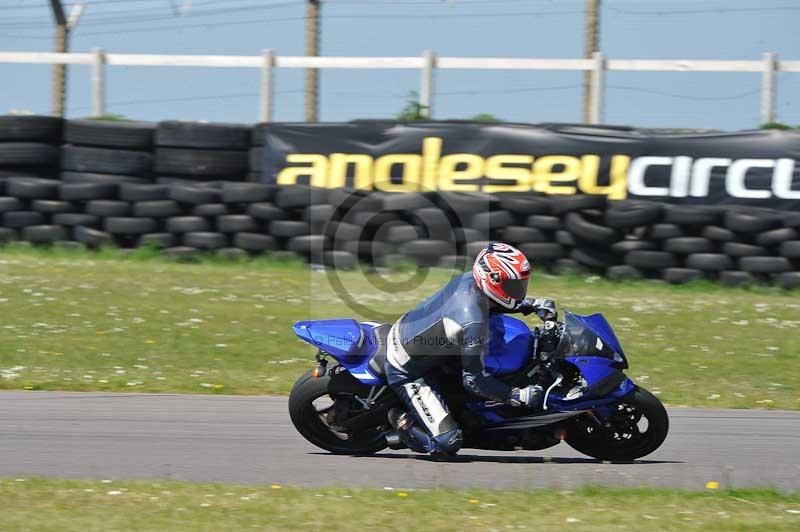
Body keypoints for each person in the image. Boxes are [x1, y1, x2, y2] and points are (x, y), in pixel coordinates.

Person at [384, 242, 557, 456]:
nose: (519, 290)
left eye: (521, 284)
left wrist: (531, 304)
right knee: (448, 443)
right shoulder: (472, 322)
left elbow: (498, 301)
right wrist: (517, 395)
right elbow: (474, 380)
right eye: (514, 285)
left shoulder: (471, 281)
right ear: (491, 279)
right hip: (407, 368)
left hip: (423, 337)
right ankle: (403, 423)